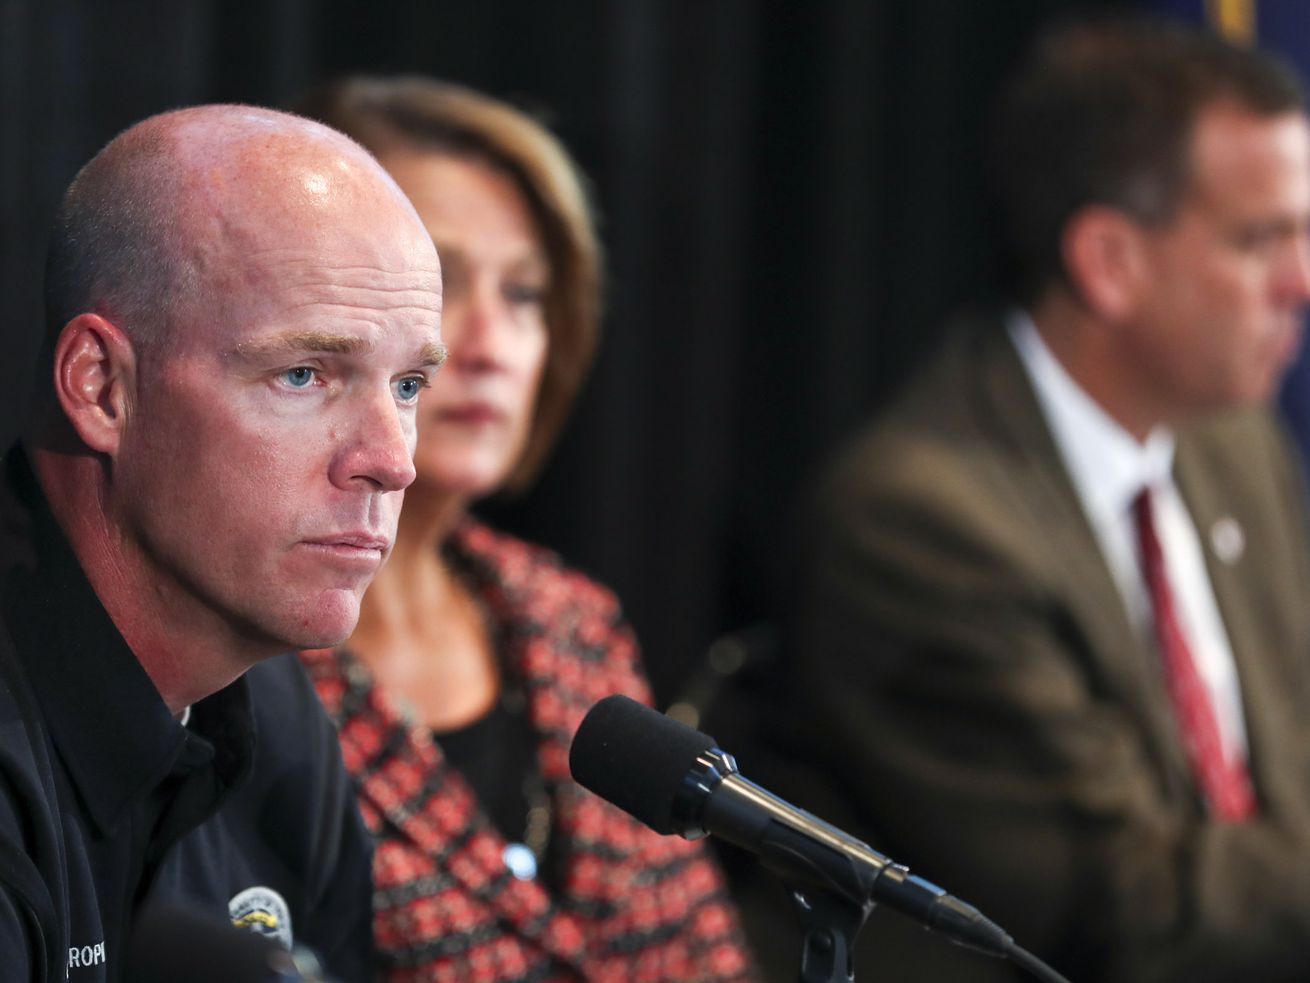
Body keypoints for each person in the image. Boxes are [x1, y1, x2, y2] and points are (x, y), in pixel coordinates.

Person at [778, 15, 1310, 983]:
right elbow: (1125, 903)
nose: (1300, 282)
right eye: (1258, 240)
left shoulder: (1234, 444)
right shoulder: (916, 519)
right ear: (1109, 261)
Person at [292, 77, 756, 981]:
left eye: (526, 294)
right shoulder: (243, 649)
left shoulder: (567, 618)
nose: (492, 343)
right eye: (441, 281)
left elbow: (703, 955)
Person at [0, 104, 445, 981]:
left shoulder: (278, 721)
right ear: (101, 388)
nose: (392, 464)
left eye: (406, 384)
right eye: (305, 374)